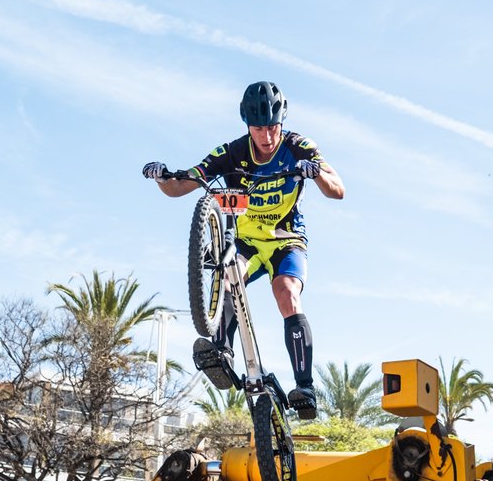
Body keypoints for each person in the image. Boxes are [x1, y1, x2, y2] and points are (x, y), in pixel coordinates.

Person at [143, 80, 344, 417]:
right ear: (247, 126)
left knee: (287, 294)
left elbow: (337, 190)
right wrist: (162, 178)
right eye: (258, 128)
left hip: (286, 238)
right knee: (229, 277)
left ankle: (304, 386)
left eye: (272, 127)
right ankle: (222, 350)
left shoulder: (299, 146)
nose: (266, 136)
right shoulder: (232, 152)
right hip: (248, 241)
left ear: (282, 122)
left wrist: (316, 174)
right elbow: (184, 185)